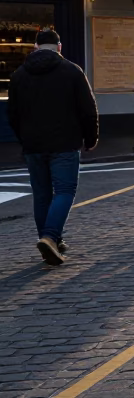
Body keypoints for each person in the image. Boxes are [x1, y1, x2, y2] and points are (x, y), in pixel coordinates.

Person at [6, 30, 98, 266]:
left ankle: (51, 240)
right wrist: (91, 138)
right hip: (64, 142)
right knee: (65, 191)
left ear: (35, 47)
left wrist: (24, 138)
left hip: (33, 145)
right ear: (59, 47)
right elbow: (88, 109)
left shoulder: (19, 75)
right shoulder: (72, 71)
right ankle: (49, 237)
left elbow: (12, 115)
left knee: (42, 194)